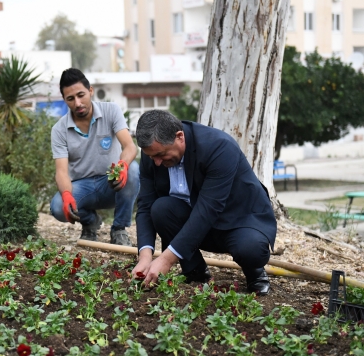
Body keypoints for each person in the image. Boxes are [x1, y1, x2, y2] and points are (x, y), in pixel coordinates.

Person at [131, 110, 277, 295]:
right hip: (196, 221)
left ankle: (254, 272)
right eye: (152, 157)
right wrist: (144, 257)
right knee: (160, 209)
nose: (157, 162)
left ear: (179, 137)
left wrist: (166, 260)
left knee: (250, 249)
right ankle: (195, 271)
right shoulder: (153, 153)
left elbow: (208, 209)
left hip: (238, 220)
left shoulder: (219, 147)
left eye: (161, 155)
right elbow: (145, 204)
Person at [49, 68, 140, 246]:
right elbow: (61, 172)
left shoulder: (111, 111)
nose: (77, 103)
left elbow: (129, 146)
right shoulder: (59, 130)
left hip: (112, 182)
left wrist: (122, 166)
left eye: (81, 95)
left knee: (134, 170)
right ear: (65, 100)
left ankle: (119, 229)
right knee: (58, 206)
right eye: (70, 99)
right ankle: (90, 222)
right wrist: (67, 195)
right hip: (83, 188)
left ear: (90, 91)